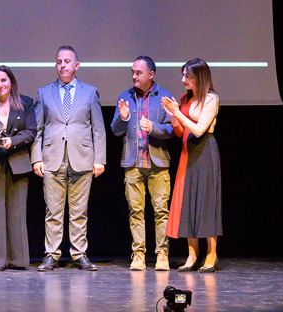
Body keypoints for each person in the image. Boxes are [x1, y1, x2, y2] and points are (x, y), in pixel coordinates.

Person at [31, 46, 106, 271]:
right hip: (52, 158)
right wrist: (36, 158)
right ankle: (52, 254)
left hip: (82, 158)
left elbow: (98, 129)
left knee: (79, 211)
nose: (63, 65)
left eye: (67, 61)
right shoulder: (44, 92)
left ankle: (78, 253)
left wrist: (99, 159)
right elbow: (37, 128)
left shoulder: (90, 92)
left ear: (76, 65)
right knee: (52, 210)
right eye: (59, 61)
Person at [111, 56, 175, 271]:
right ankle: (138, 254)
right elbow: (115, 130)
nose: (134, 76)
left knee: (161, 211)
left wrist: (154, 128)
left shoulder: (165, 96)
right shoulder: (125, 96)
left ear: (151, 74)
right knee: (135, 211)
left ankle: (162, 254)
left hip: (157, 163)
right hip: (133, 163)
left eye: (138, 72)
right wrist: (123, 118)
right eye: (133, 72)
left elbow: (172, 129)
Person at [161, 58, 222, 273]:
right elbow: (180, 132)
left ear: (199, 77)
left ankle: (211, 254)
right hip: (188, 152)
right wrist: (173, 116)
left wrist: (178, 113)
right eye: (183, 75)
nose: (183, 80)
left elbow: (198, 130)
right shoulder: (185, 98)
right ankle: (192, 254)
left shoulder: (211, 99)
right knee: (188, 202)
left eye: (187, 76)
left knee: (206, 202)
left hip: (204, 151)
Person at [0, 66, 36, 272]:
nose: (0, 85)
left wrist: (14, 141)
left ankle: (18, 260)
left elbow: (31, 131)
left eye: (3, 80)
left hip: (18, 162)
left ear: (11, 81)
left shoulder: (26, 103)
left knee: (17, 213)